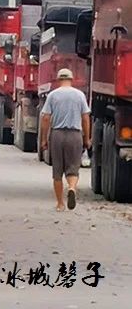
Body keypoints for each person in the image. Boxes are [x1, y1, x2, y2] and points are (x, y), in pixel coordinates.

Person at [39, 68, 91, 211]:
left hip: (57, 135)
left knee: (57, 171)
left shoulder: (53, 95)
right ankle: (72, 188)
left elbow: (46, 118)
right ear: (71, 79)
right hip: (75, 135)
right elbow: (85, 118)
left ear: (58, 79)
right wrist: (87, 138)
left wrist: (43, 139)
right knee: (73, 169)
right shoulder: (79, 95)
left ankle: (60, 204)